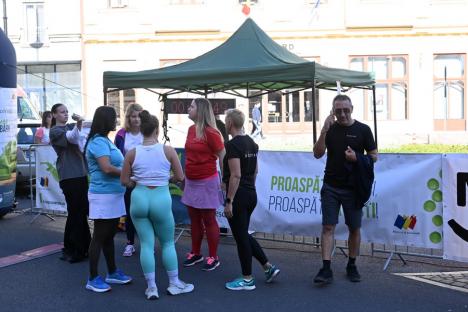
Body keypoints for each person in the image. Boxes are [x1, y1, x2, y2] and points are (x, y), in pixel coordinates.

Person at [121, 110, 194, 300]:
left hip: (139, 197)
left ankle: (151, 287)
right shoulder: (168, 150)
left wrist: (136, 182)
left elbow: (124, 181)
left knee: (146, 244)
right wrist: (166, 178)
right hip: (161, 197)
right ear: (156, 130)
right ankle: (174, 283)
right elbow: (180, 177)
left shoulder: (132, 153)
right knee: (168, 243)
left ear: (141, 130)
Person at [312, 94, 378, 284]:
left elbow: (374, 156)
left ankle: (352, 264)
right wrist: (324, 130)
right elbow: (317, 154)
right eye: (338, 110)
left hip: (353, 189)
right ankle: (326, 269)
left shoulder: (363, 130)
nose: (342, 114)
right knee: (327, 227)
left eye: (345, 110)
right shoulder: (330, 129)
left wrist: (357, 157)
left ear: (352, 108)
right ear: (333, 111)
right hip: (330, 186)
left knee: (354, 228)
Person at [222, 109, 280, 291]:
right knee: (243, 235)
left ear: (230, 123)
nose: (225, 124)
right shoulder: (252, 143)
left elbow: (236, 175)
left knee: (241, 238)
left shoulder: (232, 145)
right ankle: (268, 267)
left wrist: (229, 200)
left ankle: (247, 279)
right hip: (250, 193)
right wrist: (249, 190)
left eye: (226, 121)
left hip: (239, 196)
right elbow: (255, 171)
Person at [84, 106, 132, 293]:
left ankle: (112, 272)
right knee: (99, 236)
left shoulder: (104, 140)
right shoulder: (97, 142)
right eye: (113, 118)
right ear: (105, 120)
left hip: (113, 195)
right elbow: (106, 168)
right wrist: (128, 175)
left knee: (109, 236)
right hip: (103, 195)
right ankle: (93, 277)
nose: (116, 121)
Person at [182, 98, 225, 271]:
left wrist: (225, 180)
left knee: (209, 219)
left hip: (207, 180)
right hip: (192, 181)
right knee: (194, 219)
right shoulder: (191, 129)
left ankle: (213, 256)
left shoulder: (212, 133)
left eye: (191, 106)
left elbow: (223, 156)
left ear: (200, 111)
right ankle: (196, 252)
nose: (188, 108)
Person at [49, 103, 91, 263]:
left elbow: (85, 129)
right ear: (54, 115)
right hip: (69, 175)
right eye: (61, 112)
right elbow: (73, 137)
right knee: (76, 212)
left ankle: (76, 247)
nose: (65, 114)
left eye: (67, 112)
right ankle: (76, 249)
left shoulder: (71, 127)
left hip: (80, 173)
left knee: (78, 212)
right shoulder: (55, 131)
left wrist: (82, 122)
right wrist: (79, 123)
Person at [114, 103, 143, 257]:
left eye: (139, 115)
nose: (136, 119)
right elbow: (116, 156)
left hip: (145, 179)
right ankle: (130, 243)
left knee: (146, 212)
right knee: (130, 212)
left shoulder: (148, 132)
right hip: (129, 179)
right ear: (128, 118)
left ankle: (147, 243)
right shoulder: (121, 134)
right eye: (133, 116)